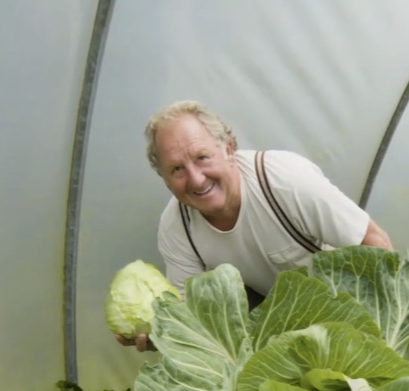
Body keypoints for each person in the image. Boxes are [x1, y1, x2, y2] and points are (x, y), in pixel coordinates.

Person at [118, 100, 393, 351]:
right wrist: (162, 336)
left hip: (345, 309)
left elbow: (374, 242)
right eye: (177, 169)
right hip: (269, 327)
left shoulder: (283, 180)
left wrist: (384, 335)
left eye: (202, 158)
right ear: (164, 179)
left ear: (228, 149)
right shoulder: (177, 227)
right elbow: (192, 316)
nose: (196, 180)